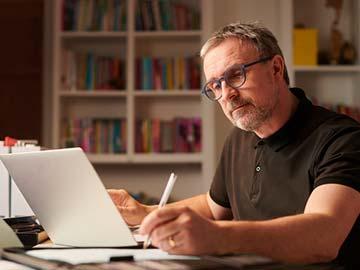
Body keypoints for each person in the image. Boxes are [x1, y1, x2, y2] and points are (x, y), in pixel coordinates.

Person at [108, 22, 360, 266]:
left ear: (276, 68)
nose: (226, 94)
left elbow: (324, 236)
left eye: (236, 75)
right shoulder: (239, 138)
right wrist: (145, 212)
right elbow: (213, 206)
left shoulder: (342, 139)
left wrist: (218, 237)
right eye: (215, 85)